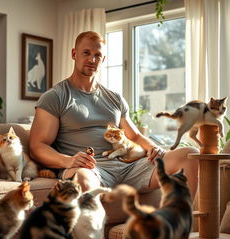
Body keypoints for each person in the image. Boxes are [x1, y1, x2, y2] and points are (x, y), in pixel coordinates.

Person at [29, 31, 198, 200]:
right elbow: (38, 146)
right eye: (86, 53)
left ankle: (186, 222)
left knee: (191, 154)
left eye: (97, 55)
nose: (92, 60)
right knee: (83, 181)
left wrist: (154, 148)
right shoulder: (55, 96)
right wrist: (67, 161)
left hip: (128, 167)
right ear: (74, 54)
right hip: (91, 170)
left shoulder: (115, 98)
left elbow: (135, 136)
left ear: (103, 60)